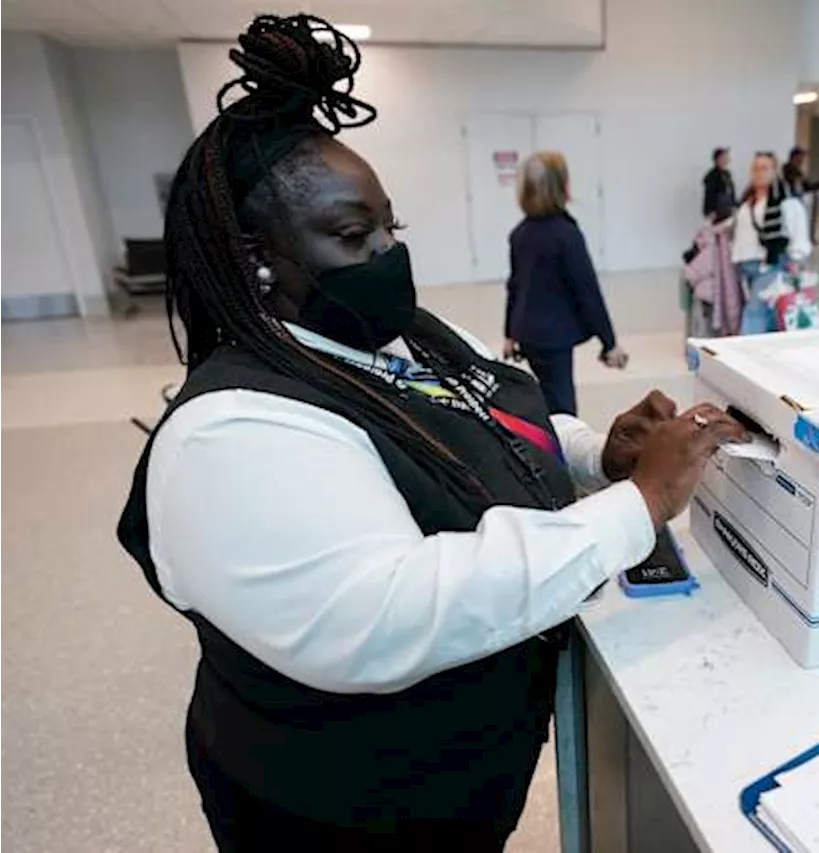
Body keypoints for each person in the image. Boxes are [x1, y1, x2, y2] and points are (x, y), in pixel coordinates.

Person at [116, 14, 744, 851]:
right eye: (351, 235)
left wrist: (596, 455)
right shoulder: (231, 432)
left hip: (463, 779)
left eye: (391, 228)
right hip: (338, 809)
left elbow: (477, 422)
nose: (386, 254)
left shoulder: (405, 335)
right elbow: (393, 609)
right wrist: (638, 504)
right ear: (252, 255)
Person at [504, 151, 625, 417]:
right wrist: (610, 343)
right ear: (563, 187)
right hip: (553, 338)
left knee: (547, 398)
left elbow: (514, 287)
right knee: (562, 407)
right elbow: (587, 292)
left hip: (527, 334)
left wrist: (510, 333)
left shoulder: (520, 234)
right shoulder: (567, 235)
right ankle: (558, 455)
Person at [731, 152, 812, 334]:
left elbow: (798, 234)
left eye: (764, 168)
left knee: (754, 312)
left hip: (772, 265)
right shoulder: (747, 202)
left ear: (775, 171)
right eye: (755, 168)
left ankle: (748, 354)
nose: (759, 173)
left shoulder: (787, 202)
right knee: (768, 313)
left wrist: (796, 261)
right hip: (746, 265)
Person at [782, 146, 819, 244]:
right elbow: (799, 183)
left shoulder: (797, 170)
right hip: (790, 201)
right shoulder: (789, 168)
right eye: (801, 156)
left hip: (798, 200)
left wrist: (817, 185)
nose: (803, 159)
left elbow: (805, 186)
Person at [702, 147, 736, 220]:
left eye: (727, 157)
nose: (726, 159)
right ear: (718, 159)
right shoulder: (712, 176)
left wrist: (734, 206)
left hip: (727, 211)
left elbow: (731, 193)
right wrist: (711, 211)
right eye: (724, 157)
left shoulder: (727, 174)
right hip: (716, 212)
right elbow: (709, 195)